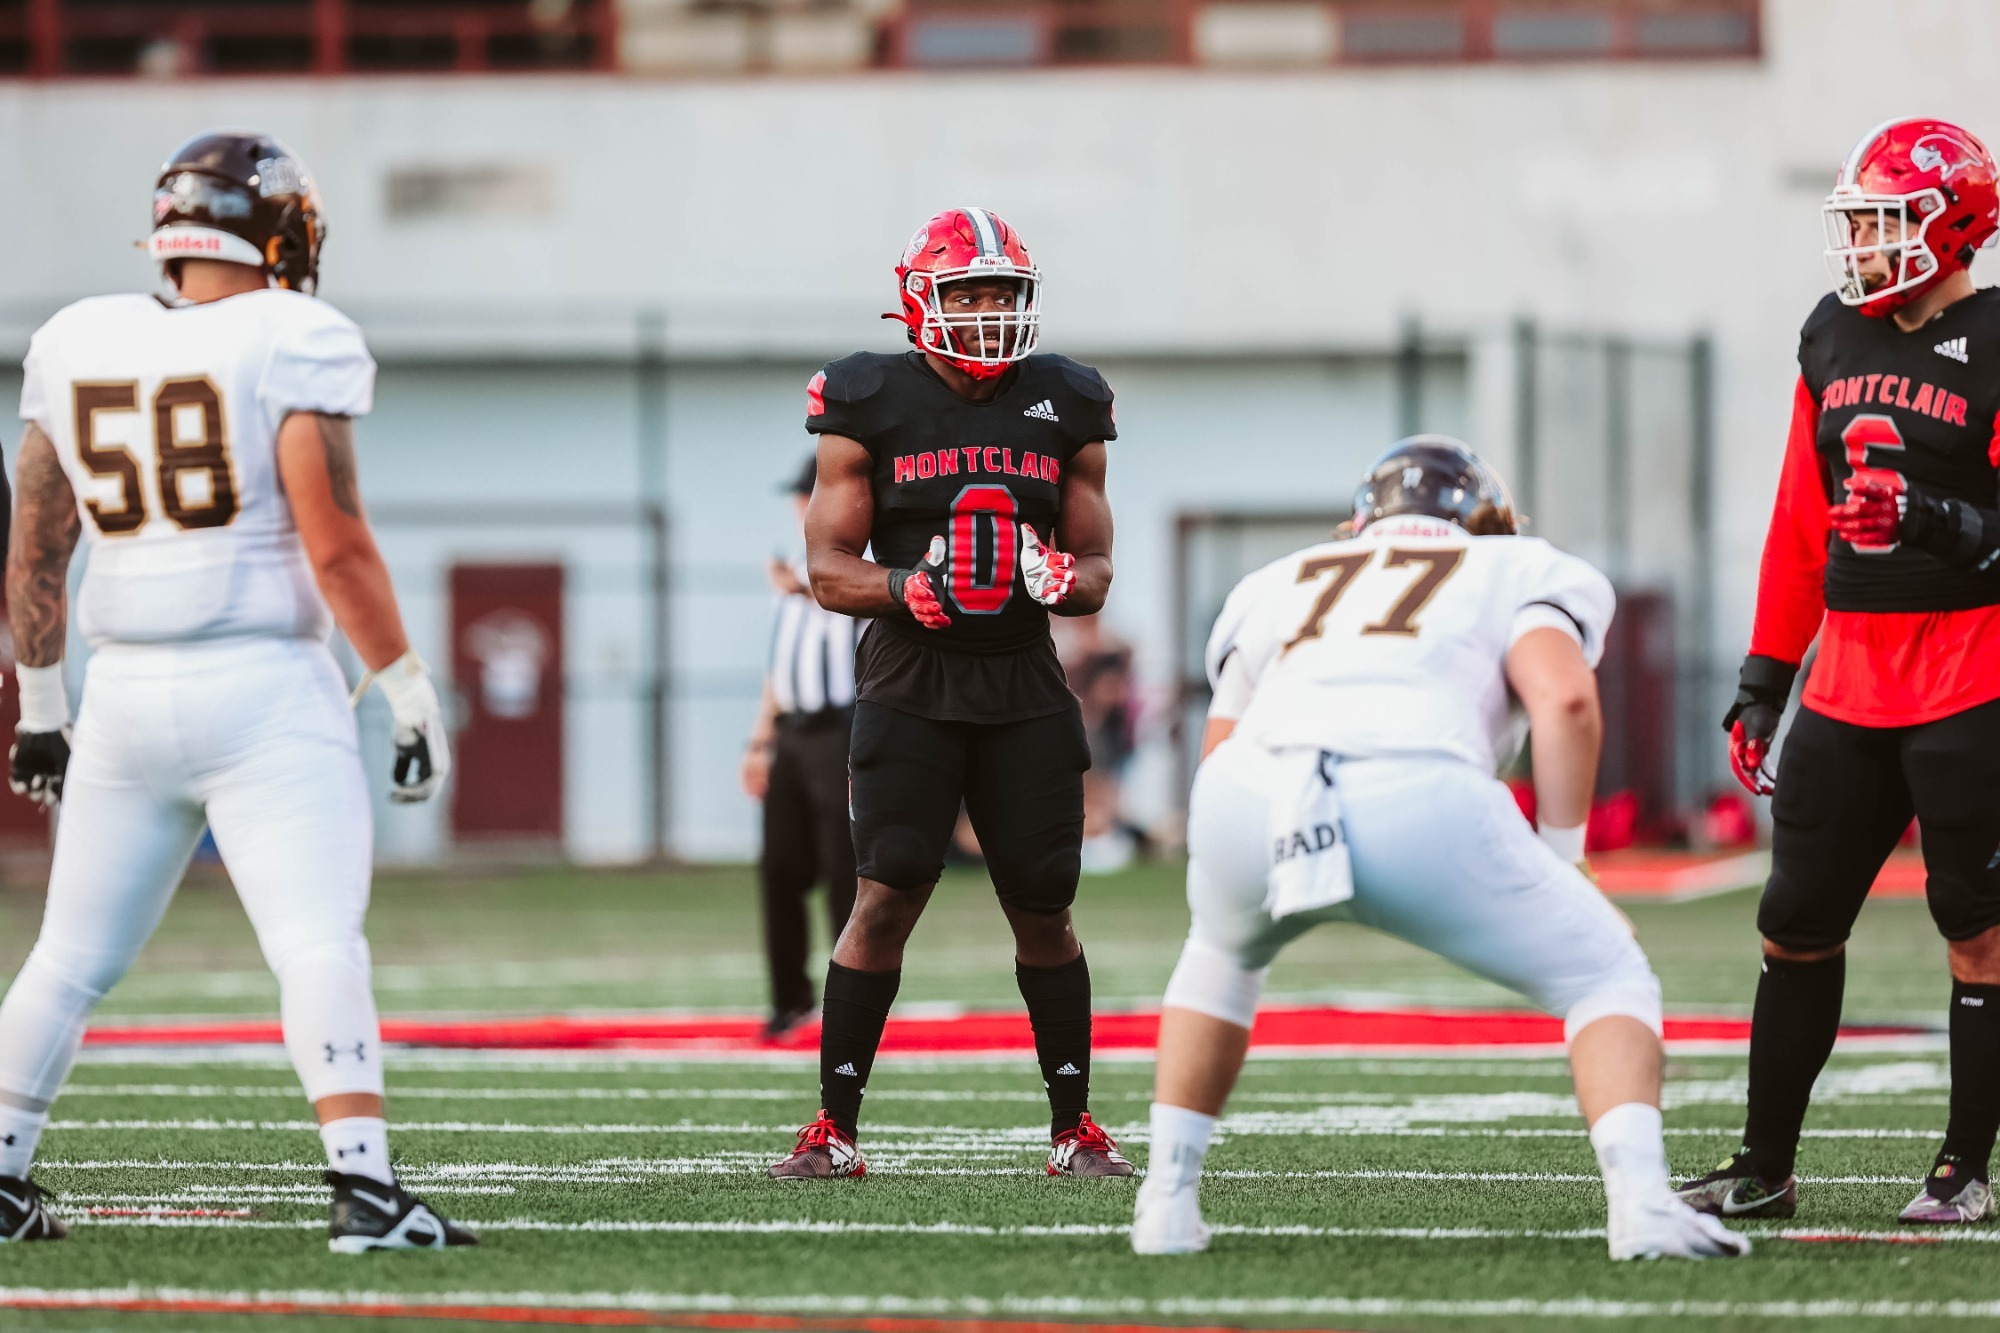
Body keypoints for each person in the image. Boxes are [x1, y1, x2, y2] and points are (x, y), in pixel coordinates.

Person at [0, 130, 474, 1251]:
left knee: (70, 955)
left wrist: (43, 707)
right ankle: (364, 1188)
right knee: (317, 940)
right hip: (260, 682)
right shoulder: (295, 331)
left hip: (120, 692)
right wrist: (405, 685)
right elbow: (337, 541)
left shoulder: (76, 338)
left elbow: (34, 547)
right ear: (275, 229)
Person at [1131, 437, 1749, 1262]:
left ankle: (1165, 1205)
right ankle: (1640, 1204)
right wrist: (1565, 856)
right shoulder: (1518, 568)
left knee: (1217, 956)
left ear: (1362, 520)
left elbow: (1221, 743)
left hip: (1252, 789)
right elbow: (1565, 699)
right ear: (1487, 523)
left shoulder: (1280, 579)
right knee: (1606, 972)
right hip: (1416, 782)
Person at [1678, 118, 2000, 1227]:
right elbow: (1796, 523)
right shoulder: (1829, 335)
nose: (1861, 242)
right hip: (1849, 680)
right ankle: (1762, 1162)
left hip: (1971, 667)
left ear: (1947, 225)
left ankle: (1960, 1169)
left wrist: (1932, 518)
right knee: (1792, 918)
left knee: (1977, 925)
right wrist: (1765, 675)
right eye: (1857, 220)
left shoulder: (1996, 338)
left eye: (1883, 219)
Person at [769, 206, 1130, 1179]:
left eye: (1000, 295)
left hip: (1022, 683)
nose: (984, 312)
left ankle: (1074, 1128)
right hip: (909, 682)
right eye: (966, 293)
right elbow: (826, 567)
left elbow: (1095, 562)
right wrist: (906, 588)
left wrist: (1066, 580)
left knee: (1043, 910)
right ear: (919, 299)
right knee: (882, 897)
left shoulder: (1066, 399)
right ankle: (832, 1127)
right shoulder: (864, 397)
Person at [742, 456, 860, 1041]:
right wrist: (760, 740)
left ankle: (849, 1005)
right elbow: (777, 665)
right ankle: (789, 999)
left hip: (843, 729)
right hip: (792, 732)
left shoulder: (860, 557)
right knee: (780, 868)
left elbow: (856, 599)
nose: (798, 508)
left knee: (845, 868)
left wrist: (802, 589)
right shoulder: (789, 566)